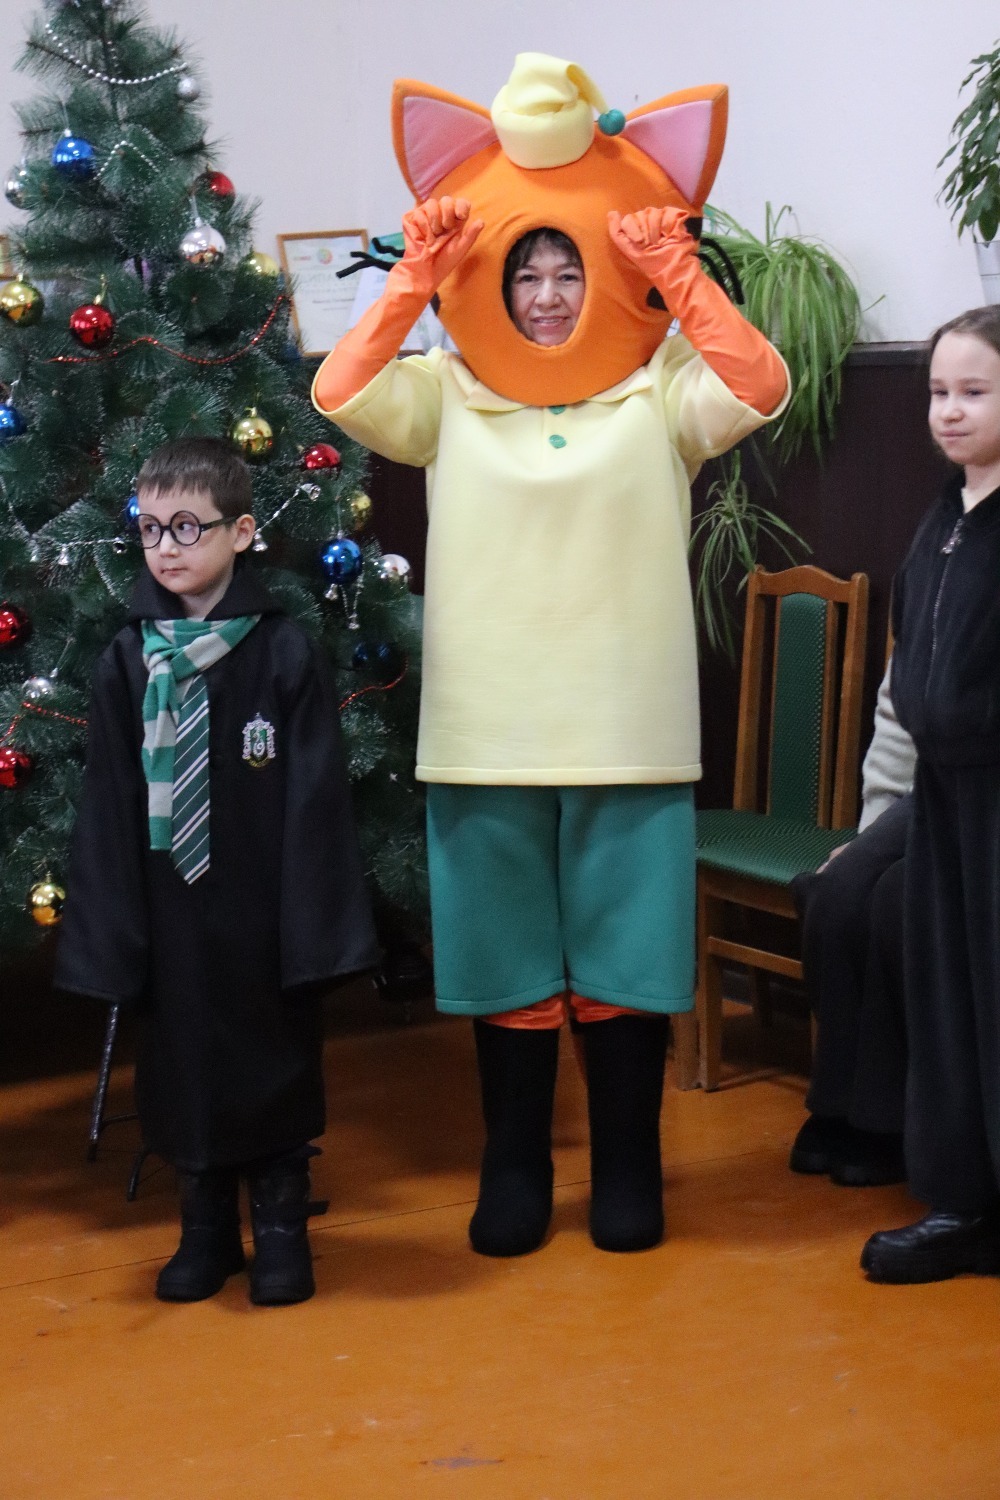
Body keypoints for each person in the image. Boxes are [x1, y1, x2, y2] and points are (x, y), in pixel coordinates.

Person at [313, 55, 789, 1258]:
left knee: (628, 962)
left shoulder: (660, 394)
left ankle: (629, 1166)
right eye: (523, 272)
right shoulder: (446, 394)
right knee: (504, 964)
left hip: (628, 729)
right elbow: (337, 390)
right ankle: (514, 1163)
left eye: (565, 269)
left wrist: (677, 276)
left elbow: (761, 383)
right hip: (486, 735)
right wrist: (412, 281)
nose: (543, 293)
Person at [55, 437, 378, 1305]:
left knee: (272, 1058)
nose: (166, 547)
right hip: (169, 908)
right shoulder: (128, 659)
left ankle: (280, 1229)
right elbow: (111, 798)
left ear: (240, 532)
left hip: (262, 906)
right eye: (150, 528)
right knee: (180, 1065)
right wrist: (115, 929)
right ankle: (204, 1229)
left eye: (187, 527)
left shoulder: (282, 652)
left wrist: (311, 927)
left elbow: (314, 799)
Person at [862, 304, 1000, 1282]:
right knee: (952, 995)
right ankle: (967, 1198)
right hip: (946, 796)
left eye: (974, 393)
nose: (948, 412)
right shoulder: (946, 511)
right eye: (939, 393)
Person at [788, 661, 915, 1186]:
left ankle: (884, 1123)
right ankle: (836, 1105)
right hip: (934, 791)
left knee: (895, 897)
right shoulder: (930, 604)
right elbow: (897, 725)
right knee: (840, 890)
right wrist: (869, 841)